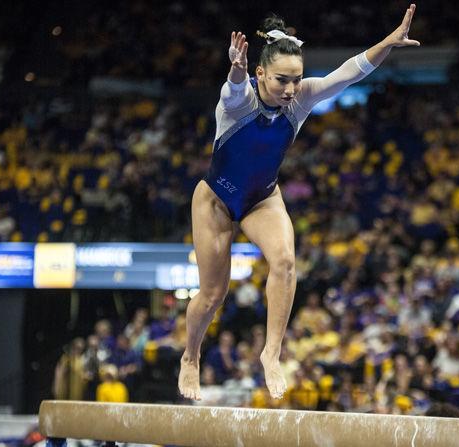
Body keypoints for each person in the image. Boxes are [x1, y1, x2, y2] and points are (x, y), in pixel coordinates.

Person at [179, 4, 421, 400]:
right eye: (281, 80)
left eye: (296, 79)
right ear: (261, 73)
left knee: (287, 262)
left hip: (262, 198)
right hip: (216, 200)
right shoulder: (238, 104)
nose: (291, 89)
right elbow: (235, 86)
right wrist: (237, 69)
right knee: (211, 296)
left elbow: (351, 70)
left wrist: (389, 44)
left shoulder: (301, 99)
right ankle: (191, 357)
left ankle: (271, 353)